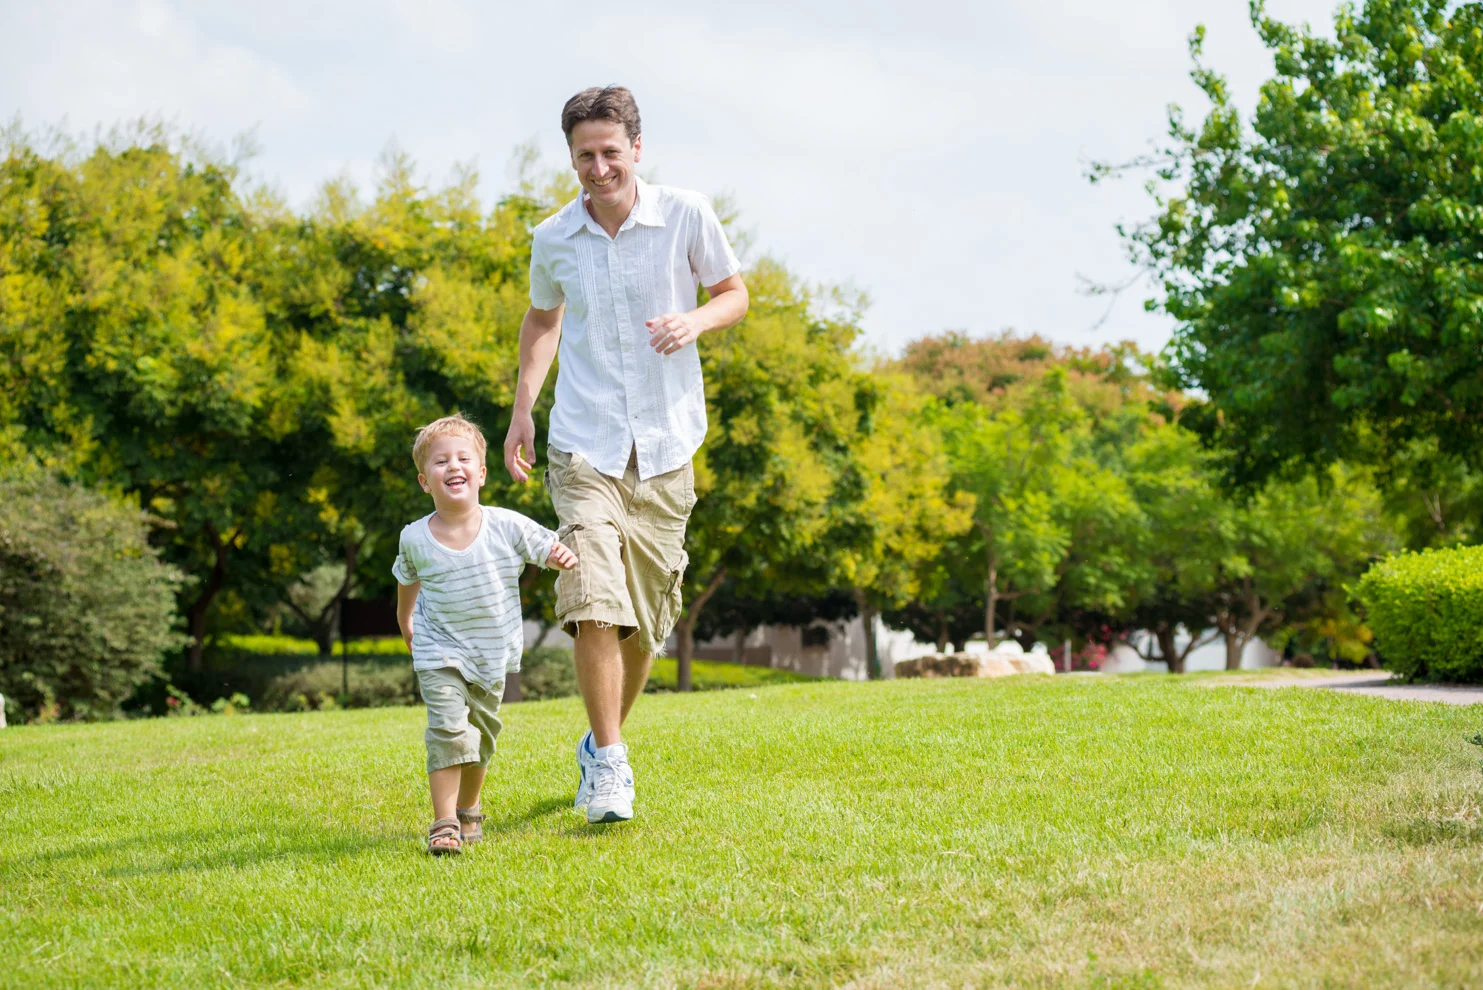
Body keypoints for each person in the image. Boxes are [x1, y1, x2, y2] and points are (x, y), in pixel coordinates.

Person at [503, 85, 749, 824]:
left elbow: (734, 292)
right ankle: (611, 764)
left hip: (667, 445)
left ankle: (596, 742)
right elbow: (542, 320)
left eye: (611, 152)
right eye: (585, 155)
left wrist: (694, 321)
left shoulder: (685, 214)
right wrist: (522, 409)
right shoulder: (553, 238)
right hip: (584, 444)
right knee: (591, 600)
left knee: (645, 622)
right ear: (570, 157)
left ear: (636, 148)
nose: (599, 168)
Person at [394, 413, 578, 855]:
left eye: (462, 458)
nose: (452, 466)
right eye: (440, 462)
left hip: (492, 653)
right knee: (447, 729)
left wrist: (558, 556)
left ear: (480, 473)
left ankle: (468, 807)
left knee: (480, 737)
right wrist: (406, 621)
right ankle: (443, 823)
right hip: (439, 650)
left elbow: (544, 546)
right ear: (425, 481)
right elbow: (407, 580)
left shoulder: (505, 524)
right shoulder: (415, 537)